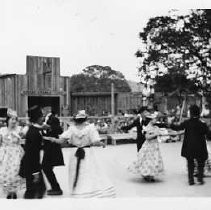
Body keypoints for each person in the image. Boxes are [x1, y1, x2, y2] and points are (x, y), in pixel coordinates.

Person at [46, 110, 116, 198]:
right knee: (88, 171)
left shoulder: (72, 129)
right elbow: (95, 141)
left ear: (75, 120)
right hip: (87, 153)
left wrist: (52, 139)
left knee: (77, 171)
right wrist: (101, 144)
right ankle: (88, 189)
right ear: (85, 119)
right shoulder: (90, 128)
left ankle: (77, 190)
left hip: (75, 153)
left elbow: (61, 140)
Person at [170, 105, 208, 185]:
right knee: (201, 163)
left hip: (189, 146)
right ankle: (200, 179)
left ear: (190, 113)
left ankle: (191, 180)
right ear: (199, 113)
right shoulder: (202, 123)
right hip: (200, 147)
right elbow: (207, 133)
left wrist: (170, 124)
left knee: (190, 163)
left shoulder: (187, 122)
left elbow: (178, 128)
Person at [19, 106, 46, 199]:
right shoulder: (34, 132)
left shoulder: (34, 130)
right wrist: (35, 172)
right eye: (42, 116)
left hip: (32, 165)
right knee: (33, 192)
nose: (43, 118)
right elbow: (32, 154)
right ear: (37, 118)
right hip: (32, 166)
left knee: (37, 191)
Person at [128, 113, 164, 182]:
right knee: (147, 159)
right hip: (149, 145)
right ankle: (146, 174)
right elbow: (147, 137)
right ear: (150, 120)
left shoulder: (155, 127)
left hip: (154, 145)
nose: (156, 120)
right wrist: (155, 134)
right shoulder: (147, 127)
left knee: (154, 159)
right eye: (154, 119)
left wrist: (158, 133)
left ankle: (151, 174)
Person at [0, 109, 25, 199]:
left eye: (15, 119)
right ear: (7, 120)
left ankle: (13, 192)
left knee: (15, 172)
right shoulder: (2, 130)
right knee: (5, 173)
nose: (14, 121)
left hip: (16, 154)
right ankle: (8, 191)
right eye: (12, 119)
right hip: (5, 154)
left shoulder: (19, 130)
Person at [42, 109, 64, 196]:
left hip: (53, 146)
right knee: (47, 167)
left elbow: (59, 130)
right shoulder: (45, 118)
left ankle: (56, 187)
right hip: (47, 146)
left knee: (46, 167)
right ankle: (55, 187)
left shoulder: (53, 118)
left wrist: (49, 127)